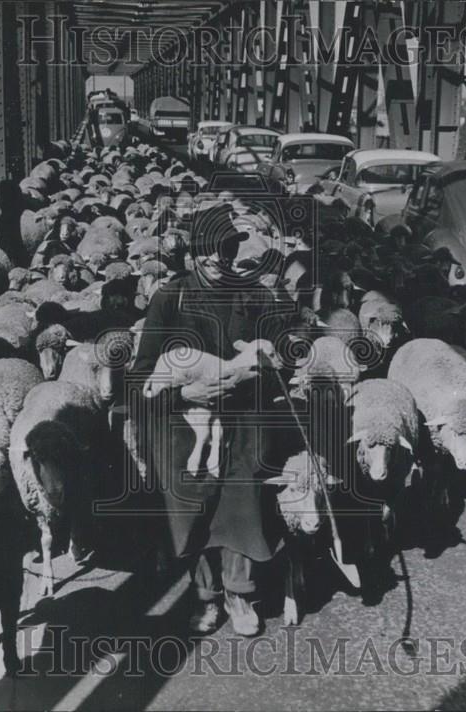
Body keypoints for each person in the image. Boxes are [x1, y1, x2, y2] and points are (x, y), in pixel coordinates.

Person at [128, 204, 296, 636]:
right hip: (182, 412)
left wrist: (252, 372)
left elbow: (280, 360)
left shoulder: (255, 295)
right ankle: (206, 594)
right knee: (185, 482)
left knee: (244, 478)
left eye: (223, 250)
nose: (215, 260)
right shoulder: (170, 297)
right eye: (205, 252)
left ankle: (240, 592)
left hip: (241, 411)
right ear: (191, 255)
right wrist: (186, 392)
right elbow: (143, 371)